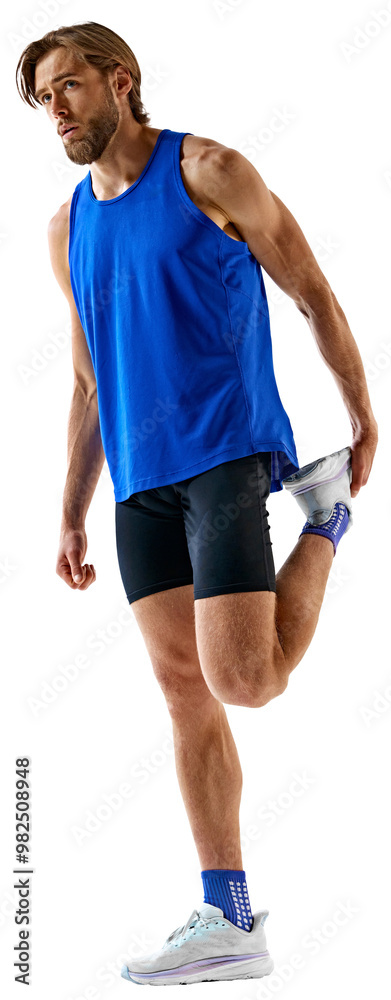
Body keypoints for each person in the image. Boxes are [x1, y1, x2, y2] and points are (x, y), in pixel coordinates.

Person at [16, 21, 378, 987]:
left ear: (119, 81)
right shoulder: (67, 227)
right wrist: (69, 508)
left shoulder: (209, 170)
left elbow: (311, 291)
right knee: (184, 693)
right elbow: (91, 382)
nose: (53, 111)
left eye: (65, 88)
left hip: (225, 454)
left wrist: (359, 414)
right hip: (138, 484)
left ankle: (325, 517)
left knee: (245, 684)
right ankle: (228, 914)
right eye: (41, 101)